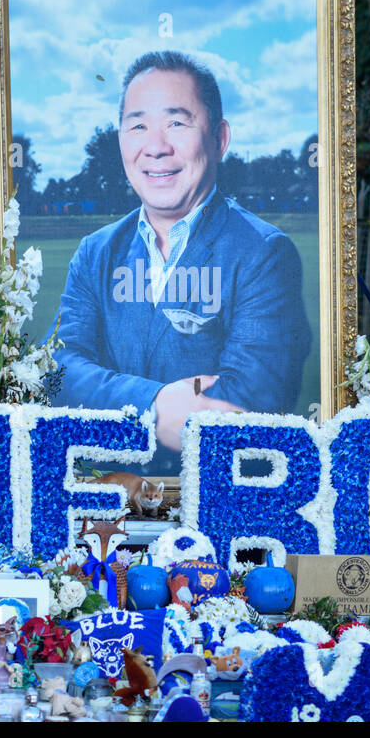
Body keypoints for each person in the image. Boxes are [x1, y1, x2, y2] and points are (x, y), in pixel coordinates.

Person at [53, 50, 311, 467]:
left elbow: (247, 407)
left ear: (220, 138)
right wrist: (151, 408)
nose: (156, 147)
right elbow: (58, 373)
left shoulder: (264, 253)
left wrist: (109, 404)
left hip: (217, 510)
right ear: (121, 139)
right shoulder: (95, 253)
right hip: (110, 509)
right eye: (138, 126)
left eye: (177, 122)